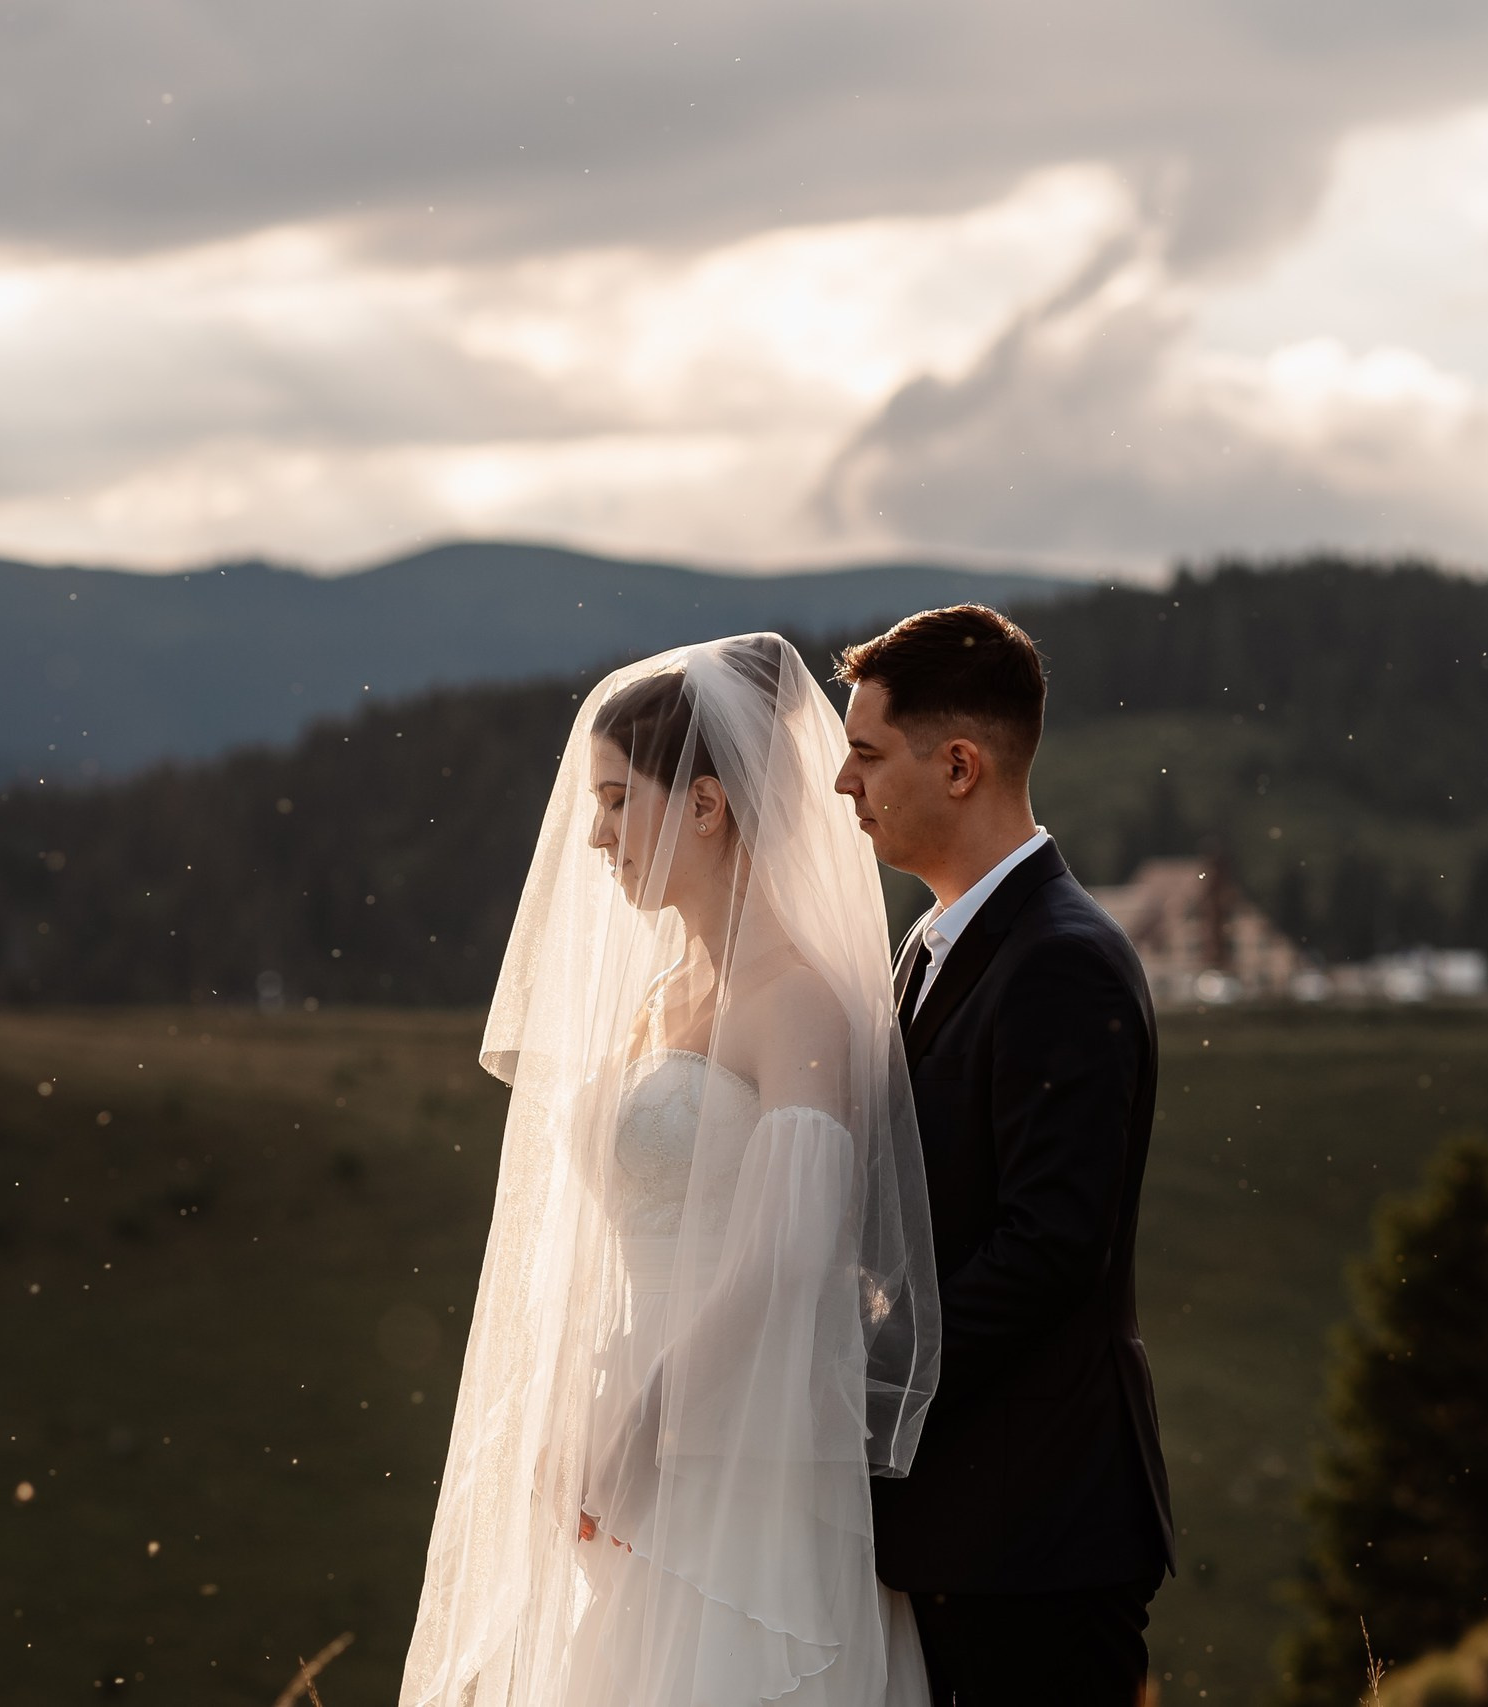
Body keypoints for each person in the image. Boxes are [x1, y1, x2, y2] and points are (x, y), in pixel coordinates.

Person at [401, 634, 940, 1707]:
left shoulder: (796, 998)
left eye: (615, 801)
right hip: (634, 1418)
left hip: (746, 1437)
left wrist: (651, 1423)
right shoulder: (658, 998)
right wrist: (583, 1417)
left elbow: (788, 1254)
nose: (594, 836)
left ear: (704, 805)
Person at [834, 605, 1176, 1707]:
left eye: (867, 754)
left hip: (1037, 1529)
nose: (846, 786)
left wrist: (848, 1379)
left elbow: (1047, 1250)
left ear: (962, 764)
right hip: (960, 1518)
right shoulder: (929, 949)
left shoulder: (1062, 961)